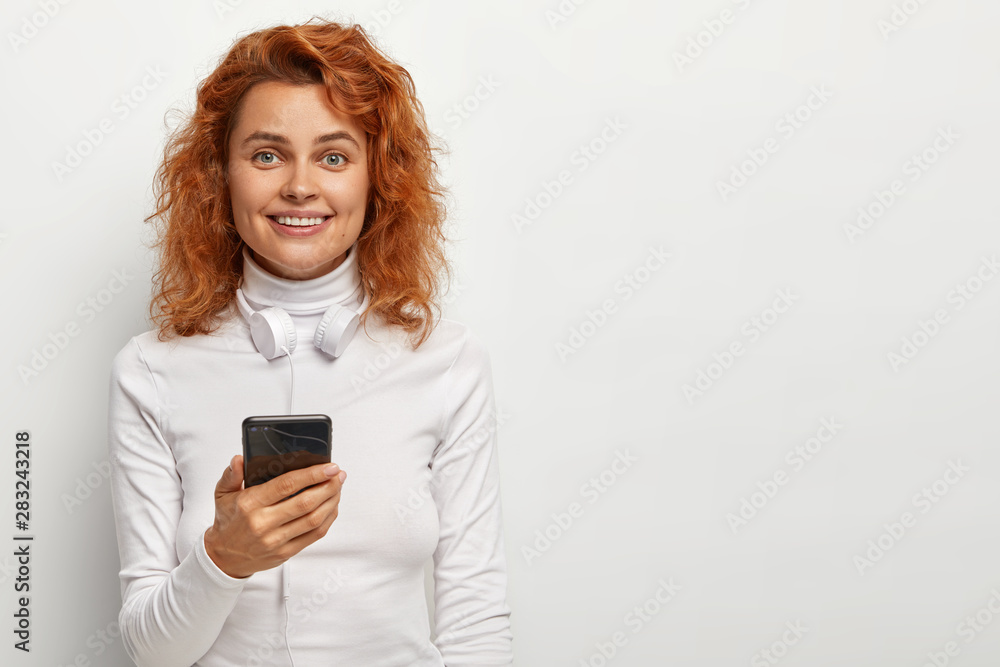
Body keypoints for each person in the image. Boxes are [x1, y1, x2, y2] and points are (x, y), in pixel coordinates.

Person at [106, 17, 513, 666]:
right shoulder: (150, 370)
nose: (300, 186)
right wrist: (223, 558)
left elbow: (476, 626)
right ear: (220, 174)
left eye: (333, 156)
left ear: (377, 178)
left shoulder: (447, 362)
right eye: (267, 155)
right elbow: (153, 652)